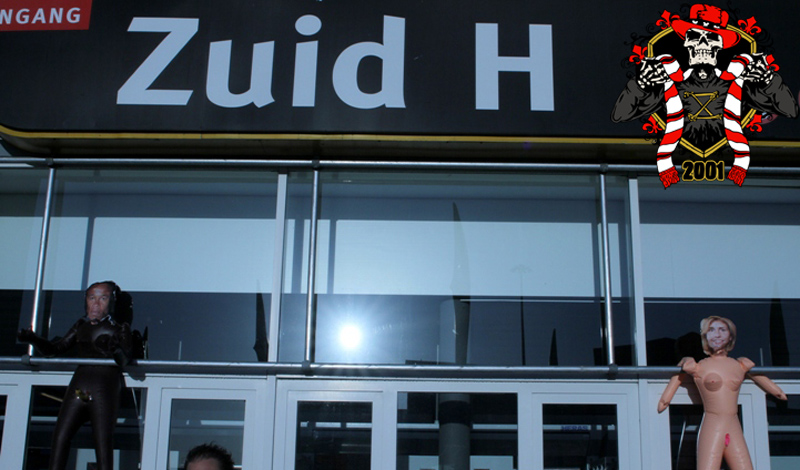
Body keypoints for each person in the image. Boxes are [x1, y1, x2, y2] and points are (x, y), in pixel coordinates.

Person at [17, 281, 132, 470]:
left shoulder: (119, 328)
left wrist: (116, 349)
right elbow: (56, 348)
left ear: (112, 302)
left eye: (103, 299)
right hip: (80, 389)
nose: (96, 304)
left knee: (102, 444)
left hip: (103, 389)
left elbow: (125, 359)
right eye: (92, 298)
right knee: (60, 437)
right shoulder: (81, 325)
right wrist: (33, 339)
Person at [658, 316, 787, 470]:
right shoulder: (698, 366)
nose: (717, 335)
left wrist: (778, 393)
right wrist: (665, 399)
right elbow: (675, 381)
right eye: (711, 330)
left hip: (733, 425)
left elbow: (772, 388)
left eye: (722, 330)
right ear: (705, 336)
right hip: (713, 425)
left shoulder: (740, 364)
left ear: (730, 336)